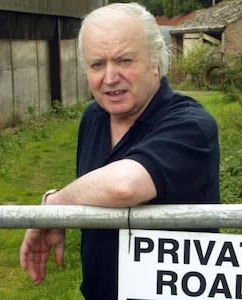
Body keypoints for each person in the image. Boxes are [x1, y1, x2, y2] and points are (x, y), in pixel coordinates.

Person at [19, 2, 220, 299]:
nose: (110, 78)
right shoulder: (93, 118)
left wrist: (54, 206)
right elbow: (95, 191)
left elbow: (125, 186)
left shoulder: (191, 125)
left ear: (156, 61)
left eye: (124, 60)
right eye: (97, 64)